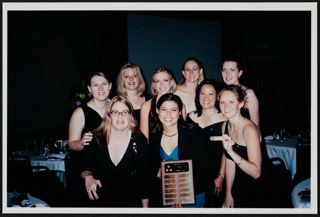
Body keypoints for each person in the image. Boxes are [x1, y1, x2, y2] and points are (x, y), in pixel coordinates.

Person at [80, 96, 149, 207]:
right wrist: (88, 176)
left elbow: (143, 179)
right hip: (100, 201)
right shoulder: (95, 138)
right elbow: (84, 166)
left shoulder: (140, 140)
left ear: (130, 115)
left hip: (130, 201)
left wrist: (145, 210)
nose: (120, 116)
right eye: (115, 112)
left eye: (125, 112)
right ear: (109, 115)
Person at [148, 93, 211, 207]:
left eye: (173, 110)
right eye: (164, 109)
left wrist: (183, 197)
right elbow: (151, 166)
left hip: (192, 196)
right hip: (166, 196)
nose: (168, 114)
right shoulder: (154, 135)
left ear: (180, 112)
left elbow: (203, 169)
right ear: (157, 111)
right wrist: (157, 172)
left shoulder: (192, 133)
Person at [67, 71, 112, 206]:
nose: (100, 88)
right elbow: (72, 144)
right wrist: (81, 142)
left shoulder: (117, 107)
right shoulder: (80, 112)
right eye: (95, 85)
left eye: (104, 84)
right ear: (89, 89)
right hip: (92, 170)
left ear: (110, 86)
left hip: (115, 168)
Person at [218, 85, 265, 208]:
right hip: (238, 184)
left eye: (231, 102)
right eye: (222, 102)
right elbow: (229, 161)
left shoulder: (249, 129)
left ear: (240, 104)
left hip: (256, 188)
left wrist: (231, 152)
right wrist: (228, 192)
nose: (225, 106)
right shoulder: (225, 126)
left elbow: (256, 173)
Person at [187, 79, 227, 207]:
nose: (206, 98)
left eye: (211, 94)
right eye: (202, 93)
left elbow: (227, 152)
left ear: (217, 97)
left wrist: (221, 176)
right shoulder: (190, 117)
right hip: (194, 175)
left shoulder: (225, 119)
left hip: (215, 174)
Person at [140, 67, 186, 141]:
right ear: (154, 85)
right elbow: (144, 139)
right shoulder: (146, 106)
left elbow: (184, 134)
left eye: (165, 80)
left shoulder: (181, 105)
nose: (161, 84)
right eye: (157, 81)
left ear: (171, 82)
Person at [221, 56, 260, 127]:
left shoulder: (248, 93)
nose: (227, 74)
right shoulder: (222, 93)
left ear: (240, 73)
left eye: (232, 70)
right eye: (224, 70)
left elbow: (255, 125)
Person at [116, 63, 151, 127]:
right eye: (126, 76)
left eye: (135, 75)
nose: (131, 79)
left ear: (139, 79)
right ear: (122, 80)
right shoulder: (116, 102)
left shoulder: (150, 100)